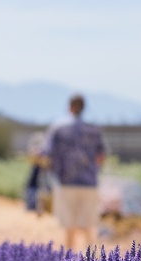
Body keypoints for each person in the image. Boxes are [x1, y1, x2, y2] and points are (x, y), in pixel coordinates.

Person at [43, 94, 107, 249]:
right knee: (88, 225)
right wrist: (92, 169)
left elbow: (46, 154)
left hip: (66, 183)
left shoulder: (58, 129)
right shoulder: (93, 130)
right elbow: (102, 156)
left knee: (69, 225)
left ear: (70, 107)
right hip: (89, 183)